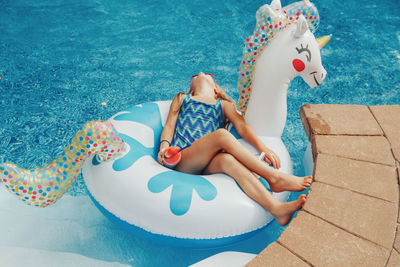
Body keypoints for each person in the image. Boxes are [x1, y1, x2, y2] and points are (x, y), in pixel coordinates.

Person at [157, 72, 312, 225]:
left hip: (208, 164)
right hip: (184, 158)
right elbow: (170, 125)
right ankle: (274, 177)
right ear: (191, 87)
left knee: (227, 160)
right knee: (221, 135)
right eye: (196, 75)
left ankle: (276, 209)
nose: (201, 73)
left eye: (208, 74)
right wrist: (164, 147)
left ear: (215, 89)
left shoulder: (224, 105)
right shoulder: (183, 98)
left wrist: (262, 147)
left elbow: (242, 127)